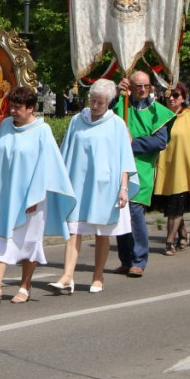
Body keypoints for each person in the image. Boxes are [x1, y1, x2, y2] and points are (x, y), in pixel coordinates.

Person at [0, 87, 75, 305]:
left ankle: (25, 286)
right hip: (6, 195)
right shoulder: (6, 126)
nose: (13, 111)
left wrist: (35, 197)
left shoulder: (42, 130)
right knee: (0, 238)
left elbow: (48, 167)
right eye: (11, 107)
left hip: (32, 199)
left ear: (30, 108)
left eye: (18, 108)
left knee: (28, 242)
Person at [49, 79, 137, 295]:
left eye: (100, 102)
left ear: (109, 102)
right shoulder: (77, 121)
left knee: (101, 232)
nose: (95, 105)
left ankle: (98, 276)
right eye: (93, 100)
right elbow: (66, 150)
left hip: (104, 186)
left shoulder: (116, 125)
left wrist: (123, 188)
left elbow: (124, 158)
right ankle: (67, 276)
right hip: (78, 182)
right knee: (73, 230)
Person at [114, 71, 175, 277]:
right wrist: (116, 93)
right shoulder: (120, 106)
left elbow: (160, 141)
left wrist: (131, 143)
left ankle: (139, 260)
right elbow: (103, 112)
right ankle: (125, 259)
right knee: (120, 215)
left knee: (134, 213)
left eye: (145, 86)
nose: (142, 89)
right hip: (119, 170)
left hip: (141, 170)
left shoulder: (158, 112)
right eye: (137, 85)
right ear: (130, 86)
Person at [152, 82, 190, 256]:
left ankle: (169, 241)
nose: (171, 99)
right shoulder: (160, 116)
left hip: (183, 170)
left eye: (176, 95)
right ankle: (184, 235)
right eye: (168, 96)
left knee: (176, 206)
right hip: (165, 169)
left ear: (183, 98)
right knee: (172, 205)